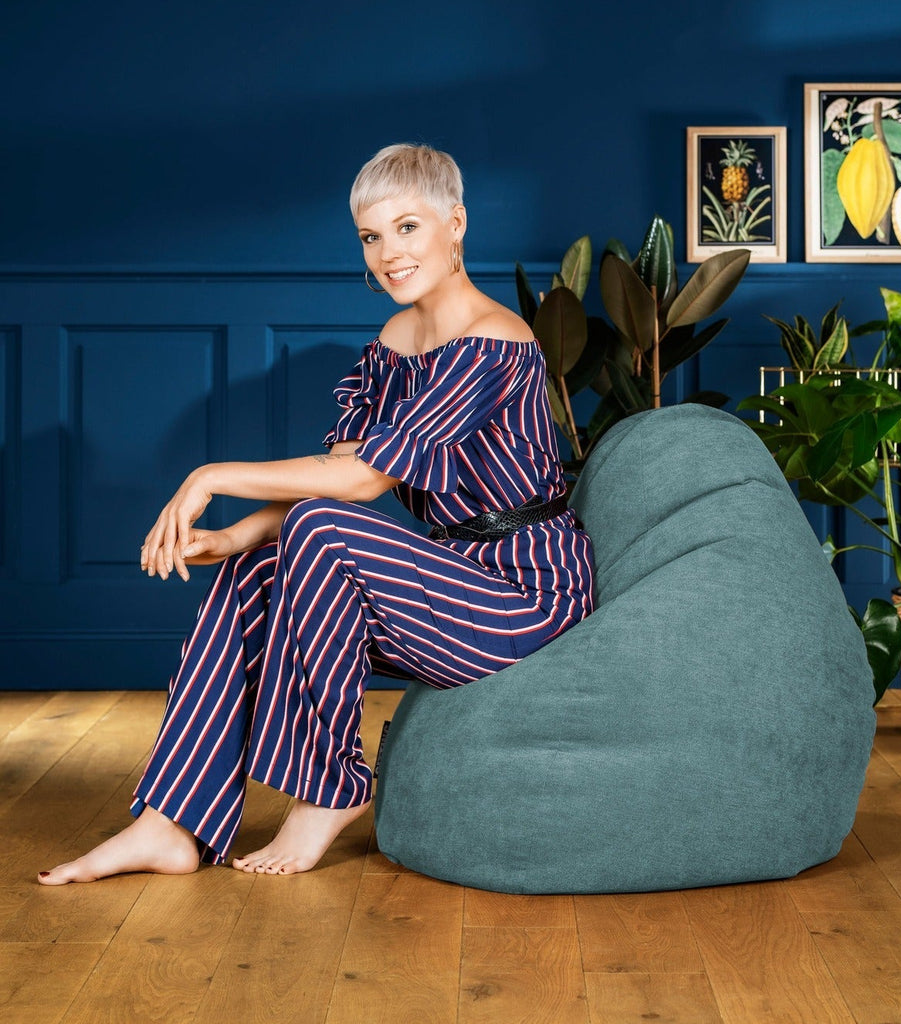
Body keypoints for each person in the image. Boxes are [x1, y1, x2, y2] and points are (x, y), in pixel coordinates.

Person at [38, 143, 594, 883]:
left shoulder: (494, 342)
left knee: (319, 529)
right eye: (371, 236)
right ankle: (170, 822)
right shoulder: (394, 345)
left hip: (525, 596)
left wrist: (210, 476)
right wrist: (234, 535)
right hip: (452, 577)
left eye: (407, 227)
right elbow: (333, 475)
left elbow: (360, 481)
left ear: (456, 224)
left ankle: (332, 789)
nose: (388, 254)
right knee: (257, 569)